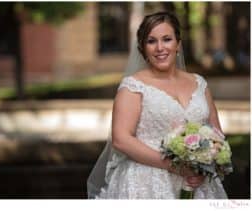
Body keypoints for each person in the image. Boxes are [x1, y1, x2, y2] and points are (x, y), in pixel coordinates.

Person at [87, 11, 228, 199]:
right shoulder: (133, 86)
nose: (160, 47)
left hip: (198, 184)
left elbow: (216, 135)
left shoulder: (199, 83)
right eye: (151, 41)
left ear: (178, 43)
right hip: (146, 183)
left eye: (167, 39)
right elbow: (121, 139)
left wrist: (205, 168)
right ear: (143, 48)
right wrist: (175, 167)